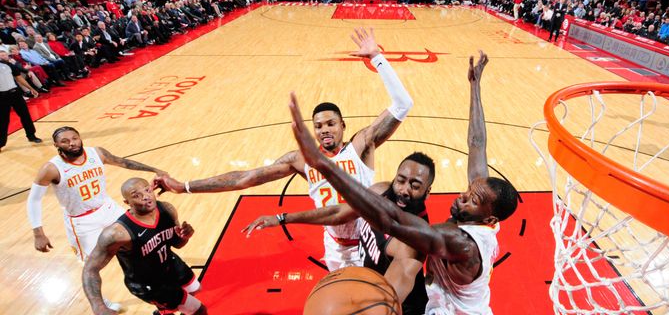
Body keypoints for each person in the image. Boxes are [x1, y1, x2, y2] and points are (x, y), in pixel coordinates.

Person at [154, 27, 413, 271]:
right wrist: (183, 186)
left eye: (331, 124)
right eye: (319, 126)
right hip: (336, 247)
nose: (325, 130)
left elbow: (403, 104)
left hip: (371, 242)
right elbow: (244, 178)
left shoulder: (361, 144)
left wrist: (377, 58)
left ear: (343, 126)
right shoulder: (301, 160)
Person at [287, 51, 519, 314]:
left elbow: (390, 221)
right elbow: (477, 143)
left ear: (489, 220)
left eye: (471, 201)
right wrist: (475, 86)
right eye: (467, 192)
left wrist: (325, 166)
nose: (461, 197)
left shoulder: (461, 242)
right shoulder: (482, 203)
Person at [243, 152, 435, 314]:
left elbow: (387, 299)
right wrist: (282, 218)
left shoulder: (412, 243)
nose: (404, 190)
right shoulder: (381, 191)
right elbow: (340, 213)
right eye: (401, 180)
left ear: (427, 192)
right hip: (367, 284)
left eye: (415, 185)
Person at [27, 127, 170, 311]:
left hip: (108, 208)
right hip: (82, 221)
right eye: (65, 141)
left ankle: (156, 277)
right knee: (92, 265)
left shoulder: (97, 153)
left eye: (75, 138)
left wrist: (153, 169)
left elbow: (123, 162)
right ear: (56, 145)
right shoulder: (51, 168)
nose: (72, 143)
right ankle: (101, 303)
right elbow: (34, 199)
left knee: (140, 243)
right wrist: (38, 233)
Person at [82, 178, 206, 315]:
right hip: (149, 283)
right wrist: (98, 306)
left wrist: (184, 237)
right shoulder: (117, 234)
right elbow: (90, 269)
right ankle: (170, 307)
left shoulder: (166, 209)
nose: (145, 197)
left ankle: (164, 311)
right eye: (136, 195)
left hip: (170, 263)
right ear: (127, 202)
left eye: (147, 190)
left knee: (195, 289)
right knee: (199, 310)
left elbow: (177, 244)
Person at [0, 49, 42, 151]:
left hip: (15, 93)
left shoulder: (8, 65)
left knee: (25, 115)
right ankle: (1, 143)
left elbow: (19, 78)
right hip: (1, 97)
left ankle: (31, 135)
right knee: (3, 120)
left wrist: (31, 89)